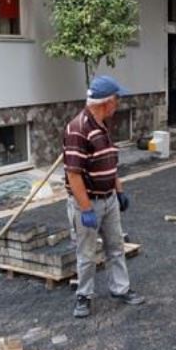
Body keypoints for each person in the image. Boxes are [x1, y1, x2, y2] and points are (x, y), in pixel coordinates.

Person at [63, 75, 144, 318]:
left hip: (108, 200)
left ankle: (120, 289)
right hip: (88, 203)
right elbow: (74, 175)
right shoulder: (77, 129)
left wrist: (119, 192)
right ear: (106, 102)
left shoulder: (102, 125)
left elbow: (110, 163)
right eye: (116, 99)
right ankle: (84, 296)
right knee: (86, 253)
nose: (118, 103)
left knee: (116, 246)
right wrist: (86, 209)